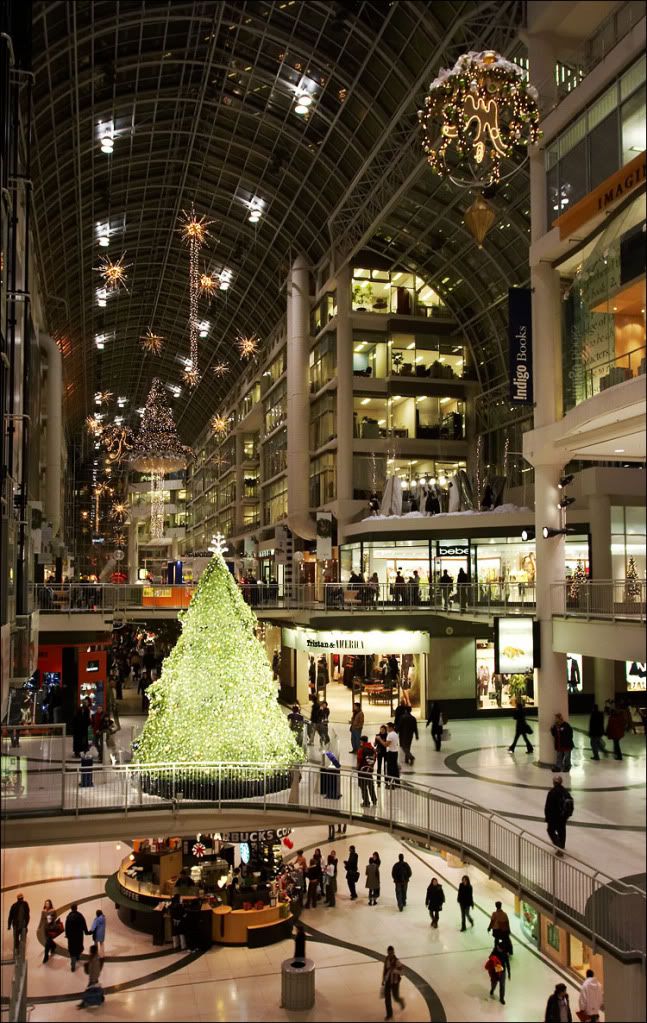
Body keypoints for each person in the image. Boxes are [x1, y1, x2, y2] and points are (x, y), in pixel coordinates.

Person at [545, 775, 574, 856]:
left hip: (554, 817)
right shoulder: (565, 792)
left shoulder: (552, 792)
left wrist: (547, 818)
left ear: (554, 782)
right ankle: (562, 847)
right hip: (563, 816)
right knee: (562, 831)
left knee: (550, 830)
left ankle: (559, 846)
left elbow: (548, 806)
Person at [382, 945, 405, 1021]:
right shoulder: (386, 959)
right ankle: (389, 1014)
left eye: (391, 953)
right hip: (388, 982)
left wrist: (395, 971)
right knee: (387, 999)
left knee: (395, 997)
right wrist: (383, 979)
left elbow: (402, 972)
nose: (390, 955)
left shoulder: (397, 961)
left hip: (395, 983)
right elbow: (385, 970)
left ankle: (401, 1001)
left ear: (393, 952)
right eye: (389, 953)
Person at [78, 944, 104, 1009]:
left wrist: (93, 980)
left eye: (90, 950)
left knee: (88, 991)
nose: (89, 951)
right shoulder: (93, 958)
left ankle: (84, 1003)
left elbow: (95, 970)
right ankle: (101, 998)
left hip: (93, 979)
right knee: (95, 990)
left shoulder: (95, 960)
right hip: (94, 978)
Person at [65, 903, 88, 972]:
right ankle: (78, 956)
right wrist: (86, 931)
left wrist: (67, 935)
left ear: (71, 909)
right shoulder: (80, 916)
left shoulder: (69, 917)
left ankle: (73, 966)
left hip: (71, 937)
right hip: (79, 935)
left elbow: (66, 927)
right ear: (76, 908)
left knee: (72, 950)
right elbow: (84, 924)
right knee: (78, 947)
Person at [485, 940, 509, 1005]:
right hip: (497, 968)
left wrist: (509, 973)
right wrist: (494, 959)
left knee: (502, 985)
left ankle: (502, 998)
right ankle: (492, 989)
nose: (498, 948)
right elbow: (490, 957)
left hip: (502, 969)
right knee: (494, 982)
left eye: (499, 948)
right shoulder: (495, 950)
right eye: (498, 947)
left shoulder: (505, 953)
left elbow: (507, 963)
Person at [37, 899, 61, 963]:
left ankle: (46, 956)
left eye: (48, 903)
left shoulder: (53, 911)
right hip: (46, 928)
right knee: (49, 940)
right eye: (46, 903)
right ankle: (53, 946)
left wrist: (50, 918)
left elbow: (55, 917)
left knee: (47, 942)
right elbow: (41, 920)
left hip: (51, 928)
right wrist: (39, 927)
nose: (47, 904)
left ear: (50, 904)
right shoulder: (43, 911)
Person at [7, 893, 30, 957]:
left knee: (22, 941)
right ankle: (16, 955)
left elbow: (27, 915)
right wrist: (9, 925)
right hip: (16, 926)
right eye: (20, 898)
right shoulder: (14, 906)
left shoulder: (25, 904)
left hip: (23, 926)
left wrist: (26, 924)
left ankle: (21, 955)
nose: (21, 899)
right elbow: (10, 916)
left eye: (21, 898)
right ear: (17, 898)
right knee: (16, 941)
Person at [357, 735, 377, 806]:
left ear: (361, 741)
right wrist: (371, 766)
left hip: (362, 770)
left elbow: (359, 760)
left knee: (363, 786)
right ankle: (374, 800)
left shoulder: (361, 749)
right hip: (369, 770)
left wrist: (357, 768)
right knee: (370, 785)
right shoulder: (372, 749)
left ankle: (366, 802)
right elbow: (375, 758)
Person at [382, 722, 400, 786]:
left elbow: (386, 745)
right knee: (395, 768)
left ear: (391, 727)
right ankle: (397, 783)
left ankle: (391, 784)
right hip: (395, 752)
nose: (386, 729)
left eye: (387, 727)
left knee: (390, 769)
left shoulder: (390, 735)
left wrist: (380, 739)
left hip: (391, 753)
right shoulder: (395, 734)